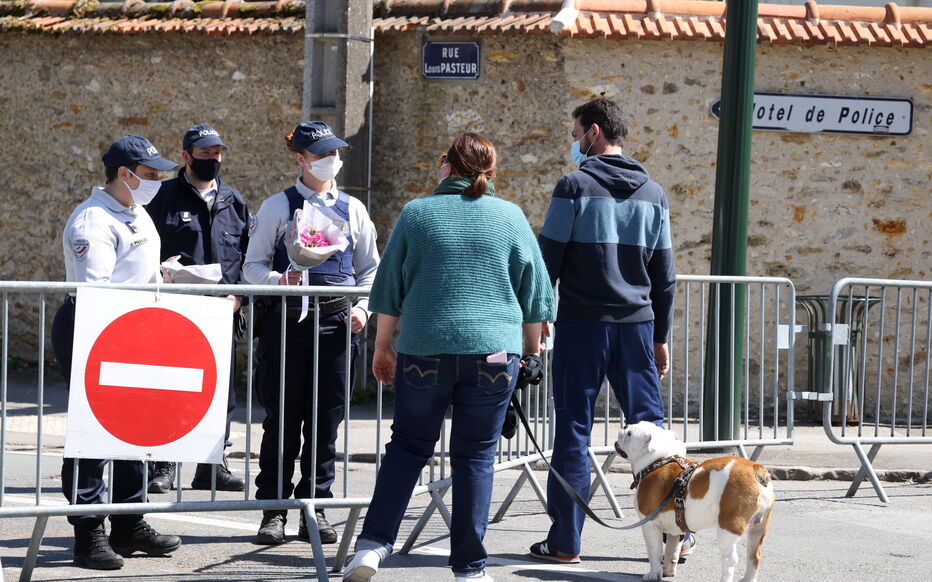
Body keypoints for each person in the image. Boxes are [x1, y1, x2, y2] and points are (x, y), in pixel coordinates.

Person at [342, 133, 555, 582]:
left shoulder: (417, 213)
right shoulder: (510, 216)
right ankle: (469, 569)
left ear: (449, 167)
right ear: (489, 171)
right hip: (494, 353)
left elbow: (389, 289)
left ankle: (372, 546)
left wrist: (382, 346)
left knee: (407, 447)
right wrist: (532, 351)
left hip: (425, 348)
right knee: (475, 457)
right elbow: (535, 294)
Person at [529, 98, 680, 564]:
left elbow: (547, 261)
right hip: (637, 326)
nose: (575, 142)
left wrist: (539, 315)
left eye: (576, 134)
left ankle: (565, 542)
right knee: (653, 433)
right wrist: (660, 336)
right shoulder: (654, 193)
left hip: (581, 325)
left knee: (573, 430)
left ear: (594, 132)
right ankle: (677, 537)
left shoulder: (573, 186)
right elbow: (665, 276)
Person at [243, 121, 379, 545]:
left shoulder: (354, 209)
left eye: (334, 152)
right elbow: (251, 266)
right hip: (286, 326)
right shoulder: (276, 206)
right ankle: (273, 510)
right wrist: (278, 281)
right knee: (282, 421)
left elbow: (370, 269)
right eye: (321, 154)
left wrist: (362, 308)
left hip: (337, 326)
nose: (330, 160)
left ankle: (315, 507)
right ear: (301, 159)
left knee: (326, 423)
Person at [51, 136, 183, 570]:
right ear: (124, 174)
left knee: (136, 430)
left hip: (135, 330)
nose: (158, 180)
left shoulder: (136, 212)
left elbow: (135, 274)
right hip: (96, 328)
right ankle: (88, 532)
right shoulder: (93, 221)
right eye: (149, 173)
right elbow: (99, 291)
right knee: (94, 432)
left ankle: (129, 523)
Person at [145, 124, 249, 493]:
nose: (213, 159)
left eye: (217, 153)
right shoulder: (163, 197)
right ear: (186, 156)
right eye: (205, 153)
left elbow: (248, 259)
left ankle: (211, 464)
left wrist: (240, 297)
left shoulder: (234, 201)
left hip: (222, 313)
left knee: (221, 392)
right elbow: (146, 252)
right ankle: (163, 464)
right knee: (172, 388)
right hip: (176, 312)